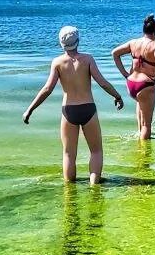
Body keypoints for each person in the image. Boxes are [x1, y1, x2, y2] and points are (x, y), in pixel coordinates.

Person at [23, 26, 124, 185]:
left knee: (69, 154)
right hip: (88, 109)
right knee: (96, 151)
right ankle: (94, 186)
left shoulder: (57, 62)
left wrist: (30, 110)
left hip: (68, 110)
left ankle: (70, 191)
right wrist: (117, 96)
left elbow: (47, 89)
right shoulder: (88, 59)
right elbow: (103, 83)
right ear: (78, 41)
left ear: (61, 44)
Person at [112, 14, 155, 141]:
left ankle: (139, 134)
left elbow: (115, 53)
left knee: (140, 105)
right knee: (147, 124)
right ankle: (143, 154)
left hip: (131, 84)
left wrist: (124, 73)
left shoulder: (133, 43)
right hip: (145, 85)